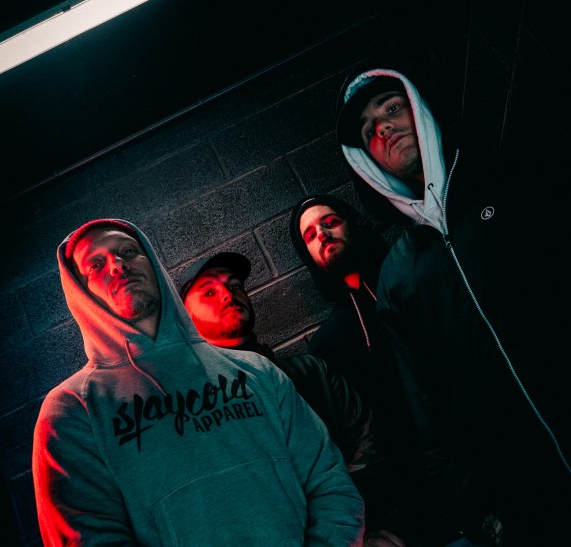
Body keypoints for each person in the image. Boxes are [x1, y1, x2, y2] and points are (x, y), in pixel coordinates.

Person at [335, 66, 571, 545]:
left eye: (392, 108)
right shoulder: (398, 275)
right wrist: (475, 510)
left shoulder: (508, 179)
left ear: (421, 110)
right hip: (525, 491)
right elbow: (425, 407)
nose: (383, 127)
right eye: (370, 131)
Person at [32, 218, 365, 546]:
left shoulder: (257, 372)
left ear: (153, 262)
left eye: (128, 251)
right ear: (80, 291)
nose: (118, 264)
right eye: (95, 265)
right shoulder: (71, 410)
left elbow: (329, 481)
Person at [290, 194, 500, 547]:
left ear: (353, 225)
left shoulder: (410, 279)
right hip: (415, 507)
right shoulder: (327, 344)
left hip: (482, 458)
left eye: (330, 222)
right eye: (310, 235)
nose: (322, 234)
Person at [178, 250, 407, 547]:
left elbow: (368, 443)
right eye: (208, 292)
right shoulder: (200, 411)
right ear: (185, 319)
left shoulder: (311, 372)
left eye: (235, 285)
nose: (227, 294)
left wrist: (357, 526)